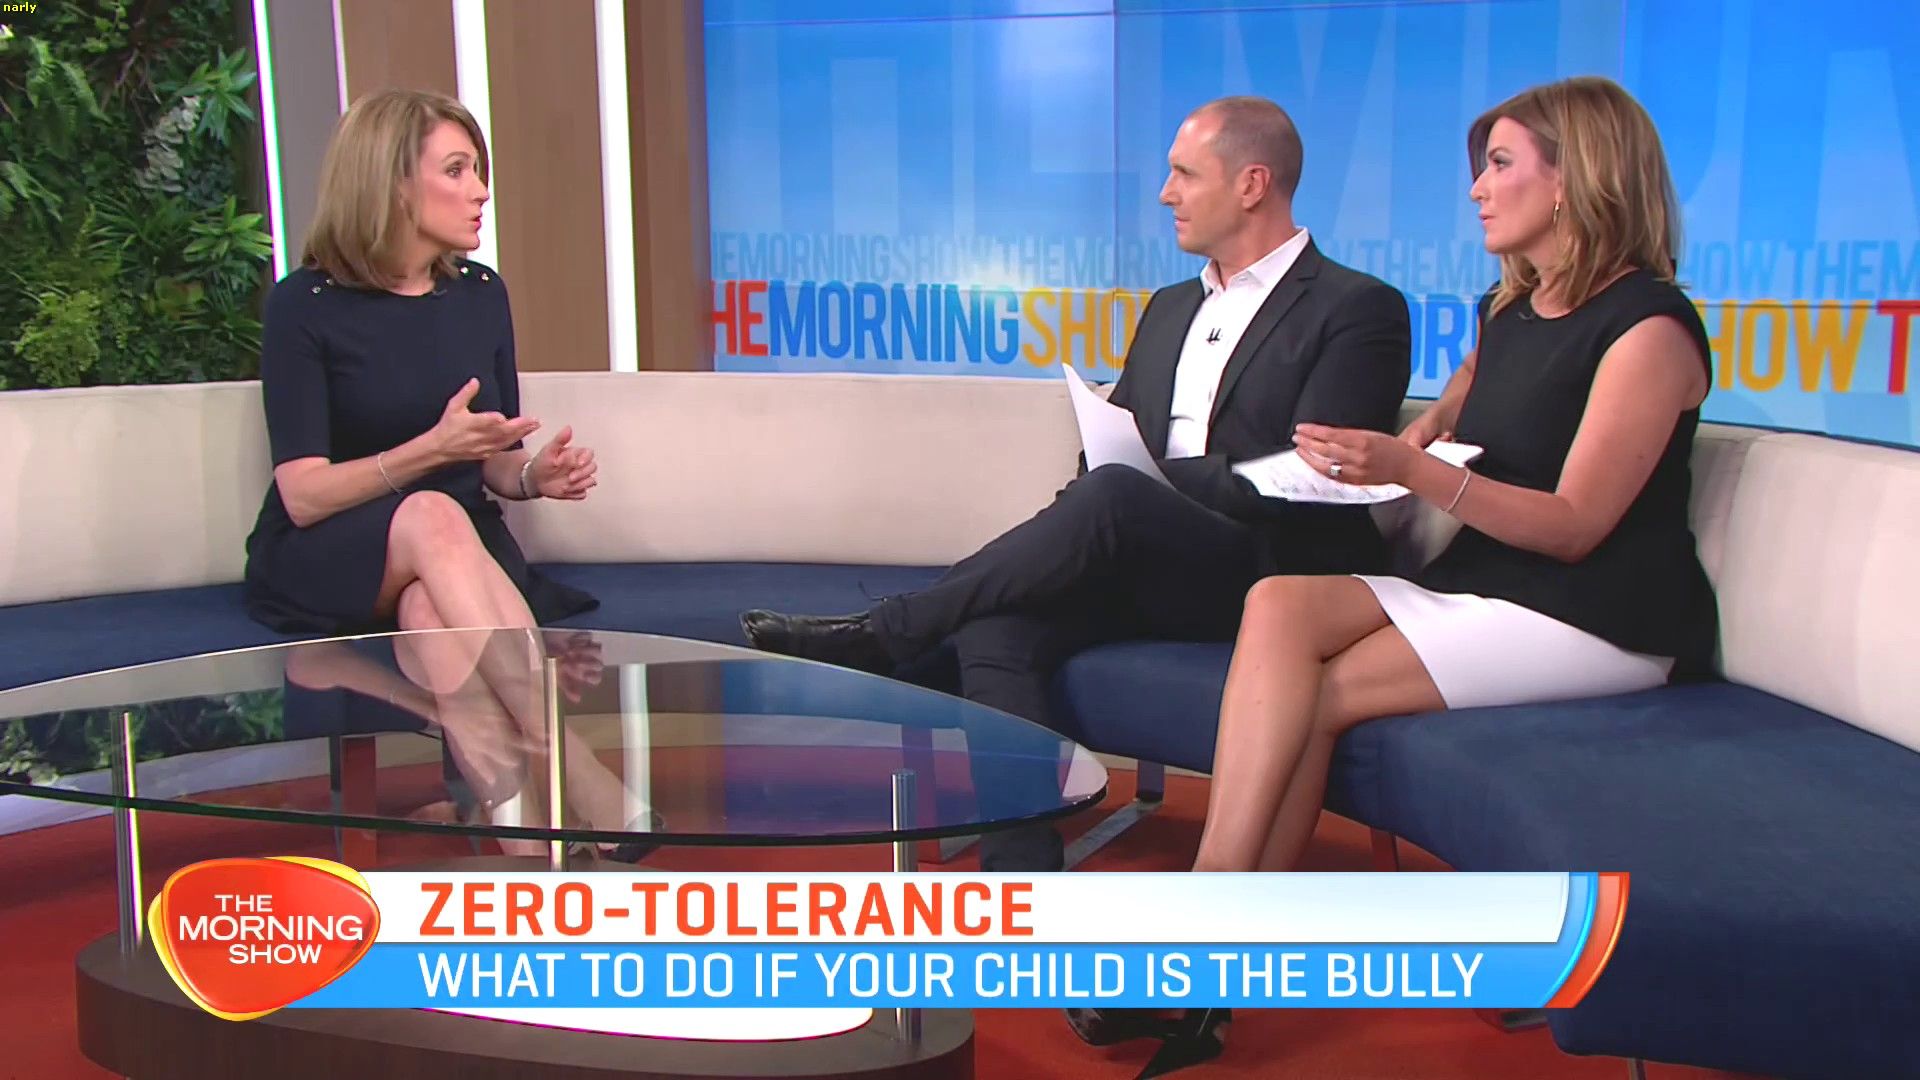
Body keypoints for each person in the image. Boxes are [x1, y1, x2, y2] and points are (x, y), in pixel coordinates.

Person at [1065, 75, 1721, 1069]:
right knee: (1281, 607)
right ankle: (1210, 951)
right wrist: (1375, 457)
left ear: (1575, 178)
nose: (1476, 189)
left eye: (1499, 165)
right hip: (1490, 587)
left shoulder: (1649, 330)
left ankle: (1196, 954)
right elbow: (1444, 426)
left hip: (1596, 614)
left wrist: (1413, 471)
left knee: (1317, 697)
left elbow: (1576, 527)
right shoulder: (1510, 312)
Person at [740, 95, 1413, 873]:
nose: (1165, 193)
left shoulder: (1357, 309)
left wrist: (1147, 486)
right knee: (997, 624)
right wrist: (1112, 484)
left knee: (1116, 495)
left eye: (1184, 174)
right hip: (1150, 560)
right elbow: (1112, 453)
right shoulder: (1169, 308)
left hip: (1274, 574)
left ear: (1252, 184)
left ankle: (888, 631)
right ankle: (1023, 868)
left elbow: (1316, 473)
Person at [241, 89, 600, 651]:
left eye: (477, 170)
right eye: (456, 171)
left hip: (459, 544)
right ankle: (542, 709)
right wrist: (432, 450)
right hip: (334, 547)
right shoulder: (303, 306)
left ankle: (522, 712)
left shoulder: (481, 294)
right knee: (432, 514)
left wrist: (532, 476)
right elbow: (304, 498)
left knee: (429, 609)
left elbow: (493, 459)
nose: (481, 190)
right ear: (392, 185)